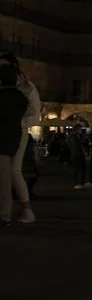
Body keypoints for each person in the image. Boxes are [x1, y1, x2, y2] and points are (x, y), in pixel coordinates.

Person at [0, 53, 40, 222]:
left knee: (14, 170)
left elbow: (35, 116)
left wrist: (16, 121)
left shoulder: (28, 88)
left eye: (4, 66)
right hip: (7, 131)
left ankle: (26, 210)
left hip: (17, 131)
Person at [0, 63, 30, 226]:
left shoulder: (3, 97)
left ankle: (4, 214)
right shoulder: (21, 98)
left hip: (2, 139)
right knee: (5, 176)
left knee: (3, 179)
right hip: (13, 138)